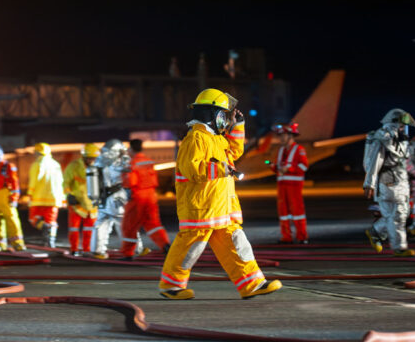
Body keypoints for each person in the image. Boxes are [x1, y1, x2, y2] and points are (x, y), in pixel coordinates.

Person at [159, 88, 282, 300]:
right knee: (190, 247)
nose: (225, 119)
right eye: (223, 114)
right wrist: (220, 169)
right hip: (201, 208)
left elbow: (234, 151)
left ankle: (252, 284)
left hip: (220, 207)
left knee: (237, 244)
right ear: (211, 114)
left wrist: (238, 126)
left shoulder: (215, 138)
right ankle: (171, 286)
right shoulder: (196, 138)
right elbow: (191, 168)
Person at [364, 108, 415, 257]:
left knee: (400, 214)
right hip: (387, 180)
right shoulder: (383, 139)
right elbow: (375, 161)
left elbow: (404, 161)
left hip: (399, 180)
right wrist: (370, 183)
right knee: (396, 215)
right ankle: (399, 247)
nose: (403, 128)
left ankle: (376, 231)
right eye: (401, 125)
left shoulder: (399, 140)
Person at [120, 139, 171, 260]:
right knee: (153, 223)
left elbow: (130, 182)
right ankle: (165, 245)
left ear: (131, 149)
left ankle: (128, 253)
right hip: (151, 196)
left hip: (138, 197)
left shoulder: (131, 164)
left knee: (129, 226)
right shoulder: (148, 161)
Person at [91, 139, 139, 259]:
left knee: (100, 224)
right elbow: (129, 172)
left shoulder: (99, 161)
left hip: (103, 199)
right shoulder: (118, 163)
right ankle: (136, 249)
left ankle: (97, 250)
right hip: (117, 198)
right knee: (125, 224)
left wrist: (94, 198)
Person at [269, 122, 309, 244]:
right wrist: (273, 167)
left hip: (294, 187)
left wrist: (289, 169)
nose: (281, 138)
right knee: (283, 212)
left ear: (290, 136)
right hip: (282, 186)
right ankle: (286, 237)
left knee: (297, 212)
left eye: (283, 135)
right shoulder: (280, 150)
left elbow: (304, 166)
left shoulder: (300, 150)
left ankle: (302, 237)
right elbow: (278, 166)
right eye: (280, 135)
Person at [63, 143, 100, 256]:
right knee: (74, 229)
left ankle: (87, 249)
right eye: (89, 158)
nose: (91, 160)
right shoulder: (73, 166)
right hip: (77, 203)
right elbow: (66, 183)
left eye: (93, 158)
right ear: (83, 157)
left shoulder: (99, 167)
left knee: (89, 229)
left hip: (92, 204)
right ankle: (74, 249)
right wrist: (69, 195)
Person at [27, 142, 65, 248]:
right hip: (54, 199)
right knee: (51, 221)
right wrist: (62, 198)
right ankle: (50, 242)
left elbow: (34, 181)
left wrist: (30, 194)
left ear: (37, 152)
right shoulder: (56, 164)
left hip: (38, 198)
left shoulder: (37, 164)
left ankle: (43, 227)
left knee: (33, 219)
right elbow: (61, 181)